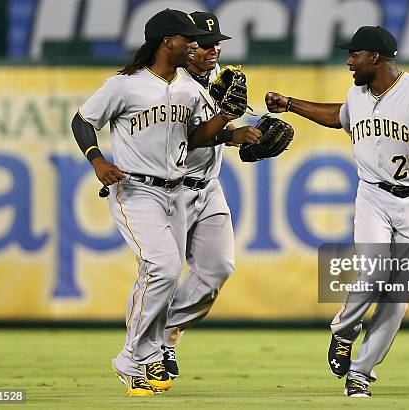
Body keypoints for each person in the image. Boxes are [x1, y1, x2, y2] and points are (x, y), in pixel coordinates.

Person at [265, 26, 409, 398]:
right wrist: (291, 104)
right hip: (372, 196)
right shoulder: (358, 93)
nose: (349, 61)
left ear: (374, 56)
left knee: (398, 295)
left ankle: (361, 374)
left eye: (354, 55)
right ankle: (344, 331)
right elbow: (338, 116)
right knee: (373, 270)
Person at [71, 8, 241, 397]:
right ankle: (133, 358)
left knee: (188, 269)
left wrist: (232, 121)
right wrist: (97, 159)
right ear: (168, 42)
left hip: (178, 189)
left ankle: (150, 349)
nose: (196, 45)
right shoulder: (125, 85)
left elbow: (200, 135)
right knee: (162, 266)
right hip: (136, 190)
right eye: (189, 39)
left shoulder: (190, 86)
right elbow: (83, 120)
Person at [160, 11, 261, 379]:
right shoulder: (170, 84)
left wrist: (255, 134)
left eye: (216, 42)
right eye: (204, 44)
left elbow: (226, 126)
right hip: (168, 191)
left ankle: (165, 332)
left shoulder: (219, 80)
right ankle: (150, 345)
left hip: (209, 188)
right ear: (185, 46)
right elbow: (181, 138)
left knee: (218, 267)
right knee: (162, 275)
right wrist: (226, 133)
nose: (213, 49)